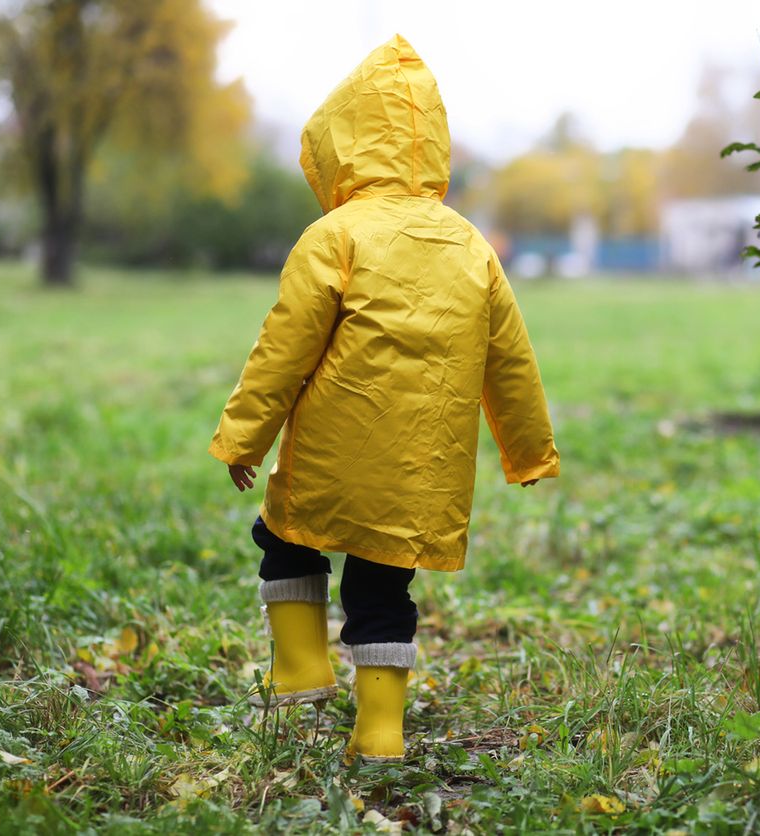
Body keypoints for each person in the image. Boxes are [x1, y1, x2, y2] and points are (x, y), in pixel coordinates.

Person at [208, 34, 559, 763]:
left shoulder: (334, 236)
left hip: (332, 454)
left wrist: (244, 438)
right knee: (382, 588)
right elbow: (512, 361)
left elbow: (284, 349)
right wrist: (527, 451)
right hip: (421, 472)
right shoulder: (470, 246)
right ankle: (380, 734)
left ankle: (301, 667)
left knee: (283, 539)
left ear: (345, 147)